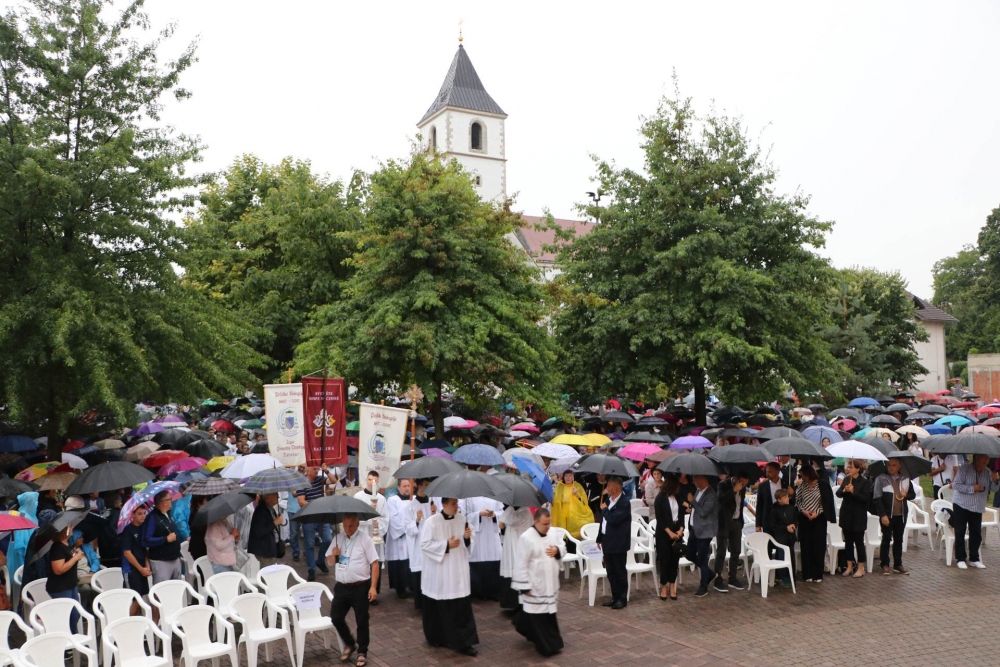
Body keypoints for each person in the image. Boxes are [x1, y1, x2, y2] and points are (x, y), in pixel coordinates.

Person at [419, 497, 479, 656]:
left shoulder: (462, 519)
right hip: (440, 572)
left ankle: (465, 643)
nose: (456, 506)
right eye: (453, 503)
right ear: (444, 504)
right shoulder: (432, 522)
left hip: (458, 572)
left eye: (457, 503)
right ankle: (438, 637)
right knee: (441, 607)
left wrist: (467, 538)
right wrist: (446, 545)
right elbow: (424, 545)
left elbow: (471, 541)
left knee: (460, 608)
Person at [326, 512, 379, 667]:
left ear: (357, 524)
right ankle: (349, 643)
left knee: (362, 620)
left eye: (351, 526)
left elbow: (374, 564)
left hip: (360, 587)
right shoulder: (338, 539)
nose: (348, 529)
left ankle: (362, 651)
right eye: (345, 525)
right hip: (342, 586)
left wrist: (373, 587)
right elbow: (329, 562)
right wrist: (334, 556)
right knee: (336, 617)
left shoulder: (365, 540)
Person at [511, 508, 565, 657]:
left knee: (548, 614)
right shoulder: (526, 538)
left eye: (549, 523)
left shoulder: (553, 532)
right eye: (545, 524)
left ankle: (522, 624)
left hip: (550, 583)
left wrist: (557, 550)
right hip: (536, 584)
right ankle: (546, 647)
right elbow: (520, 563)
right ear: (535, 522)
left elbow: (563, 546)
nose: (548, 527)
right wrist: (524, 586)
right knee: (538, 615)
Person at [951, 454, 1000, 570]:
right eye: (980, 463)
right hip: (961, 504)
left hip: (977, 506)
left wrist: (996, 479)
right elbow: (956, 485)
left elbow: (994, 489)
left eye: (985, 464)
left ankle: (974, 558)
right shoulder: (965, 469)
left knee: (976, 533)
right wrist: (972, 488)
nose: (982, 466)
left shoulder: (987, 472)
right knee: (960, 531)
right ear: (975, 460)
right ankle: (961, 558)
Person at [872, 457, 915, 575]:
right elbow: (877, 498)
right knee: (886, 539)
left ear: (899, 466)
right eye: (889, 465)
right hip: (887, 514)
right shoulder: (881, 479)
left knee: (899, 539)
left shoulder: (905, 479)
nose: (891, 467)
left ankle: (898, 564)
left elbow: (913, 495)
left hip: (901, 514)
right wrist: (882, 515)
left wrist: (906, 495)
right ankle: (885, 563)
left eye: (894, 465)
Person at [795, 463, 835, 583]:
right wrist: (804, 511)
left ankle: (818, 573)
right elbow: (798, 501)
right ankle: (807, 574)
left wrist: (817, 512)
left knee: (818, 546)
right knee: (806, 546)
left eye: (803, 476)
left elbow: (826, 502)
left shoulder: (822, 485)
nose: (802, 478)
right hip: (805, 519)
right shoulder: (802, 486)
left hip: (819, 519)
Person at [595, 476, 631, 609]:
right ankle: (614, 596)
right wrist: (599, 537)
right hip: (607, 540)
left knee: (620, 571)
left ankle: (622, 598)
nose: (606, 488)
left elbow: (613, 519)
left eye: (608, 485)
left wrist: (604, 509)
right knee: (610, 571)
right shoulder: (608, 500)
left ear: (614, 488)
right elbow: (603, 522)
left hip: (618, 542)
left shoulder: (624, 502)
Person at [461, 493, 504, 600]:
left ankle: (494, 592)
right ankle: (477, 592)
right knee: (477, 560)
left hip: (492, 534)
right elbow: (464, 515)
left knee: (494, 562)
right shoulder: (469, 496)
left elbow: (502, 513)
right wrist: (478, 514)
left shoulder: (495, 495)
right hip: (478, 536)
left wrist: (494, 515)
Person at [353, 472, 388, 601]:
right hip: (362, 534)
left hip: (375, 535)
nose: (371, 482)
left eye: (374, 480)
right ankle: (362, 593)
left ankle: (374, 592)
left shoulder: (382, 499)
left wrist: (377, 523)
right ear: (365, 479)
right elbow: (354, 517)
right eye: (369, 479)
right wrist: (368, 518)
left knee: (375, 563)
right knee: (362, 564)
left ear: (378, 482)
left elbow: (385, 518)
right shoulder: (358, 497)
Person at [713, 471, 749, 592]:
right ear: (737, 479)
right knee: (721, 551)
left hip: (737, 521)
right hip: (724, 522)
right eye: (743, 483)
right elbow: (720, 499)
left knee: (736, 551)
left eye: (745, 484)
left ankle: (732, 577)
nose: (744, 486)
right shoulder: (723, 484)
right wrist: (733, 490)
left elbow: (740, 505)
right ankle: (718, 577)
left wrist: (740, 521)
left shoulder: (743, 489)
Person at [836, 459, 872, 578]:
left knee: (859, 542)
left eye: (851, 467)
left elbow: (865, 499)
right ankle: (849, 565)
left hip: (858, 515)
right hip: (847, 514)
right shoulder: (846, 479)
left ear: (857, 469)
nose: (848, 469)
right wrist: (844, 490)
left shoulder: (865, 482)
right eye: (848, 466)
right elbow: (838, 493)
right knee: (848, 542)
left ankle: (861, 567)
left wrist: (853, 492)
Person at [684, 474, 718, 597]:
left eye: (694, 479)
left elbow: (703, 512)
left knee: (703, 559)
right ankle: (709, 573)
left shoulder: (711, 495)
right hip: (694, 529)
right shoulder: (698, 491)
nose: (693, 482)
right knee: (689, 554)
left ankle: (703, 586)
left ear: (701, 479)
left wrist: (692, 501)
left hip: (705, 531)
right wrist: (691, 506)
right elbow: (697, 509)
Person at [47, 521, 85, 632]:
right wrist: (75, 558)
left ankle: (73, 639)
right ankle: (66, 642)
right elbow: (58, 569)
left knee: (75, 614)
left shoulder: (67, 544)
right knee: (67, 616)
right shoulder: (57, 547)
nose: (72, 527)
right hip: (61, 588)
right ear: (63, 530)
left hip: (71, 585)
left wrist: (75, 553)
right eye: (69, 526)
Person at [296, 467, 332, 581]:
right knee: (309, 545)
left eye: (317, 468)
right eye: (314, 469)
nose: (317, 470)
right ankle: (311, 569)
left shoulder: (320, 479)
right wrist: (315, 506)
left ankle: (320, 560)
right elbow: (301, 501)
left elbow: (334, 481)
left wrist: (326, 470)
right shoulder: (301, 483)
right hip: (309, 518)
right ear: (308, 471)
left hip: (322, 516)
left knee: (328, 540)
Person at [653, 473, 685, 601]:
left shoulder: (678, 497)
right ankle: (664, 586)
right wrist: (669, 533)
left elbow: (681, 515)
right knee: (664, 560)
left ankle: (673, 586)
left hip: (677, 530)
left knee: (674, 560)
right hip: (664, 533)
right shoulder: (660, 498)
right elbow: (659, 519)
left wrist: (681, 529)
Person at [406, 479, 436, 611]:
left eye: (429, 485)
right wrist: (417, 520)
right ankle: (420, 604)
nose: (428, 488)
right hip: (418, 546)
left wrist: (435, 513)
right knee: (420, 575)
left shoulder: (433, 503)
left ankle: (432, 601)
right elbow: (407, 528)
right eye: (426, 485)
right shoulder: (411, 506)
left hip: (432, 545)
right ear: (419, 487)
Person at [498, 502, 534, 611]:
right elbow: (502, 525)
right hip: (510, 544)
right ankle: (510, 603)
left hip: (520, 545)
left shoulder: (525, 511)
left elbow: (512, 522)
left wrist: (507, 511)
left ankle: (521, 604)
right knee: (510, 571)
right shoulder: (512, 511)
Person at [143, 490, 182, 584]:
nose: (171, 501)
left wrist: (178, 555)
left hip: (174, 558)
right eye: (170, 499)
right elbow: (146, 540)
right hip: (161, 561)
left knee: (176, 589)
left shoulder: (168, 514)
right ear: (164, 502)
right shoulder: (152, 518)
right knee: (162, 592)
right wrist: (165, 539)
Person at [120, 504, 151, 616]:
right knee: (135, 599)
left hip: (142, 567)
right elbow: (127, 553)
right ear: (132, 515)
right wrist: (140, 568)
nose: (142, 516)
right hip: (131, 570)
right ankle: (127, 624)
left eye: (144, 513)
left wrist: (147, 566)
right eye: (139, 514)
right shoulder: (128, 531)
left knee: (141, 598)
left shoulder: (144, 529)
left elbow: (145, 550)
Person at [384, 478, 411, 600]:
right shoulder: (392, 500)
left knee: (410, 561)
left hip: (411, 538)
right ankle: (400, 588)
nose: (407, 488)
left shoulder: (414, 500)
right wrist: (408, 528)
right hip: (399, 537)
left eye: (408, 486)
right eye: (404, 486)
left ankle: (411, 585)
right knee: (400, 562)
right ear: (398, 487)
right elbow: (393, 519)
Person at [551, 470, 594, 542]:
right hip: (562, 515)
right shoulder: (559, 486)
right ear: (563, 477)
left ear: (573, 477)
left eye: (570, 475)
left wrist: (577, 494)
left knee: (574, 538)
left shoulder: (578, 486)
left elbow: (584, 502)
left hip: (574, 516)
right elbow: (555, 499)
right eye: (566, 476)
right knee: (563, 536)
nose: (568, 477)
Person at [770, 489, 797, 585]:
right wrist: (785, 528)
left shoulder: (791, 508)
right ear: (779, 500)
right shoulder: (775, 511)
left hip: (790, 537)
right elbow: (773, 526)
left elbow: (795, 519)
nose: (787, 498)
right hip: (781, 538)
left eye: (787, 496)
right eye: (785, 497)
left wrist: (793, 525)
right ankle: (782, 576)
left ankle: (791, 576)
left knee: (791, 556)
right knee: (782, 556)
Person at [248, 493, 283, 567]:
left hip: (269, 548)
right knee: (267, 575)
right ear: (268, 498)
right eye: (276, 496)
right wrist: (275, 522)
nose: (278, 498)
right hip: (265, 550)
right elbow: (259, 531)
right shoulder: (261, 510)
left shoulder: (269, 508)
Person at [187, 495, 209, 560]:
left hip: (203, 546)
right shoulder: (195, 515)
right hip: (199, 548)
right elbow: (202, 530)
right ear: (199, 503)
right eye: (205, 502)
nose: (207, 503)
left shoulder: (202, 513)